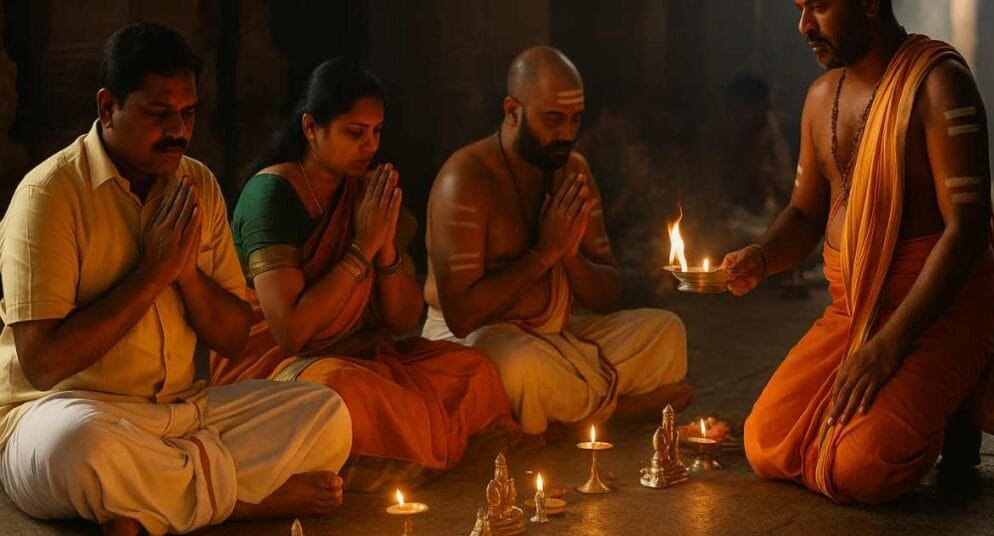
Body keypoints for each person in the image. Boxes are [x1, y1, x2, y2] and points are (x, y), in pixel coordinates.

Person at [0, 24, 352, 535]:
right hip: (64, 413)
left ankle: (153, 505)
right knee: (82, 451)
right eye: (157, 113)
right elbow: (43, 365)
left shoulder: (197, 184)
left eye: (187, 113)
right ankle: (242, 502)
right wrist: (152, 273)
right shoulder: (49, 196)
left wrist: (185, 274)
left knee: (326, 412)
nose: (178, 130)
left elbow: (232, 337)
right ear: (107, 109)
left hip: (182, 416)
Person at [728, 0, 994, 503]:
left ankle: (953, 408)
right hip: (854, 311)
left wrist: (889, 347)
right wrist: (762, 257)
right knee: (764, 441)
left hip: (934, 314)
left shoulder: (938, 84)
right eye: (799, 8)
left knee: (862, 469)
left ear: (869, 3)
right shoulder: (819, 98)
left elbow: (965, 231)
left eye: (819, 6)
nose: (804, 26)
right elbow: (804, 214)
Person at [210, 57, 517, 490]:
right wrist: (361, 248)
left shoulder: (365, 191)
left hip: (362, 357)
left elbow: (402, 321)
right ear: (311, 128)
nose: (370, 145)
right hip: (278, 369)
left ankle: (389, 457)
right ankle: (375, 461)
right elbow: (291, 333)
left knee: (472, 369)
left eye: (376, 132)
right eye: (355, 132)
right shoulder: (272, 196)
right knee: (340, 389)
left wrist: (385, 247)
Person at [422, 46, 690, 437]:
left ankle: (564, 414)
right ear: (513, 110)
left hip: (557, 337)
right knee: (520, 369)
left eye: (575, 119)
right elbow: (462, 318)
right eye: (553, 119)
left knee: (666, 330)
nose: (566, 134)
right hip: (477, 342)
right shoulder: (465, 179)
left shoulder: (573, 170)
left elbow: (606, 296)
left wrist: (569, 256)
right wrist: (544, 253)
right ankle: (610, 410)